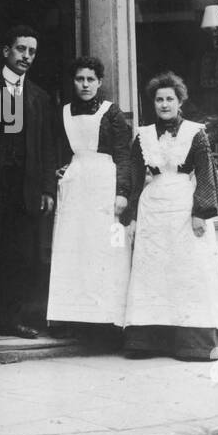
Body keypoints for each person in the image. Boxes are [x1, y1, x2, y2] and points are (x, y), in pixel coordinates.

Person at [123, 72, 218, 360]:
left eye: (170, 99)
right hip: (153, 210)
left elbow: (206, 173)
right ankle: (149, 341)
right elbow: (135, 179)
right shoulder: (143, 135)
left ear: (180, 101)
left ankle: (195, 343)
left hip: (185, 206)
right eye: (159, 100)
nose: (164, 104)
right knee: (154, 271)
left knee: (189, 270)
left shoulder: (195, 132)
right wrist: (131, 217)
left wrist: (201, 212)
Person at [46, 56, 134, 337]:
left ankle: (108, 320)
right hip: (75, 186)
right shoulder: (63, 112)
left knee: (106, 248)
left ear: (100, 82)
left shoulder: (112, 113)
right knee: (74, 249)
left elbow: (123, 154)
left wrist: (122, 193)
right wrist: (61, 168)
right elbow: (57, 148)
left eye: (90, 80)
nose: (85, 85)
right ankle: (71, 318)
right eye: (79, 79)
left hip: (105, 184)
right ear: (73, 82)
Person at [0, 24, 58, 339]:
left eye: (32, 52)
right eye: (21, 49)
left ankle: (11, 318)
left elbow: (46, 146)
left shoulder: (39, 97)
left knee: (20, 255)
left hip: (26, 189)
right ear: (6, 51)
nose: (26, 57)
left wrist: (47, 188)